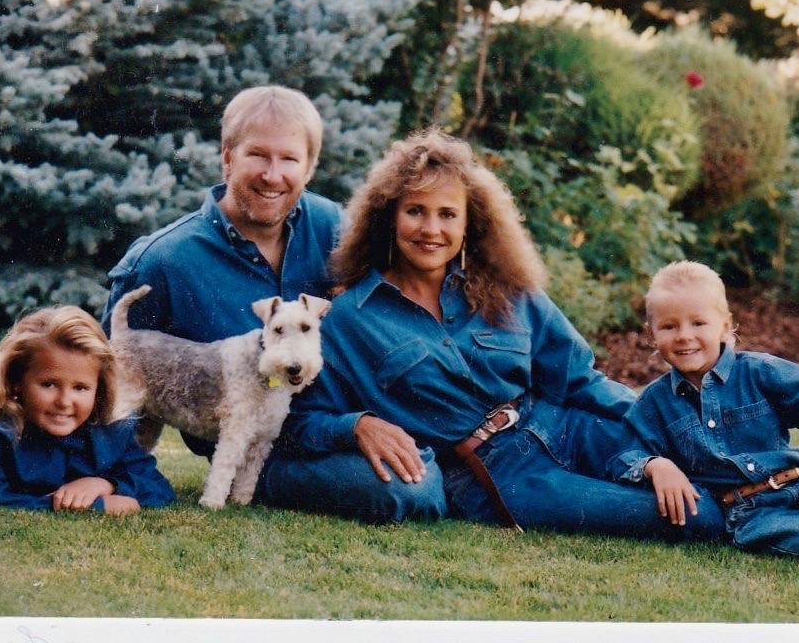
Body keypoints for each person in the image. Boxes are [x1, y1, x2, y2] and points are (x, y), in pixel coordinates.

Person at [273, 128, 725, 539]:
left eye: (448, 214)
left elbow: (580, 381)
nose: (432, 229)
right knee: (696, 514)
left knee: (706, 456)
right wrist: (358, 425)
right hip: (493, 473)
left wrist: (658, 434)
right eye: (415, 211)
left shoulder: (509, 292)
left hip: (561, 426)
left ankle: (783, 495)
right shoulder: (350, 319)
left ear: (470, 224)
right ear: (388, 217)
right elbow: (302, 421)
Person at [101, 85, 446, 522]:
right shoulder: (161, 262)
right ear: (227, 158)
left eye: (288, 160)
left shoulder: (336, 231)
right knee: (410, 491)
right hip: (259, 446)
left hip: (343, 417)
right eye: (257, 156)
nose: (272, 174)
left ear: (310, 167)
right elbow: (107, 381)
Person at [608, 260, 799, 563]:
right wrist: (655, 466)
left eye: (698, 323)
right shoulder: (654, 402)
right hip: (754, 514)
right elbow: (624, 457)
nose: (684, 335)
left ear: (724, 326)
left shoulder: (760, 371)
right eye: (669, 326)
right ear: (651, 335)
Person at [0, 306, 175, 514]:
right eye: (49, 384)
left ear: (100, 390)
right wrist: (96, 507)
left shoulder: (110, 432)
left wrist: (105, 484)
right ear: (16, 381)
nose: (65, 401)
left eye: (80, 388)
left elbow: (158, 486)